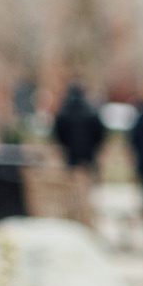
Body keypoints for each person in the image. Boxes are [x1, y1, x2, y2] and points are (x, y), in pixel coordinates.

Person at [52, 84, 106, 225]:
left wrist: (65, 146)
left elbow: (58, 132)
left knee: (71, 189)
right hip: (87, 156)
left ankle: (75, 216)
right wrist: (93, 147)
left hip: (71, 156)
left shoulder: (65, 111)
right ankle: (85, 217)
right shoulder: (90, 110)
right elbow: (100, 132)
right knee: (85, 189)